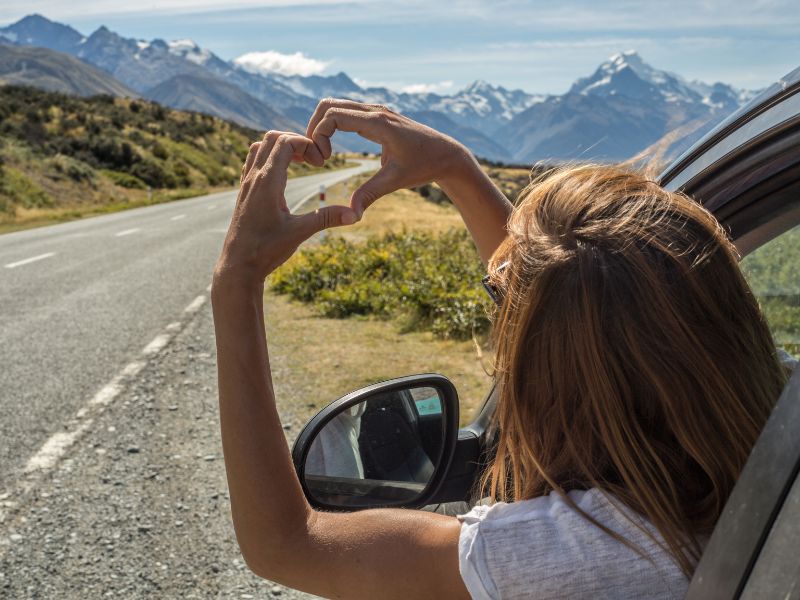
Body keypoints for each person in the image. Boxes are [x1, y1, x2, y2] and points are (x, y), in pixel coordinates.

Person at [210, 99, 787, 599]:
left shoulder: (560, 555)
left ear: (553, 383)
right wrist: (455, 169)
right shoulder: (779, 421)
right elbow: (574, 311)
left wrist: (236, 281)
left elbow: (286, 544)